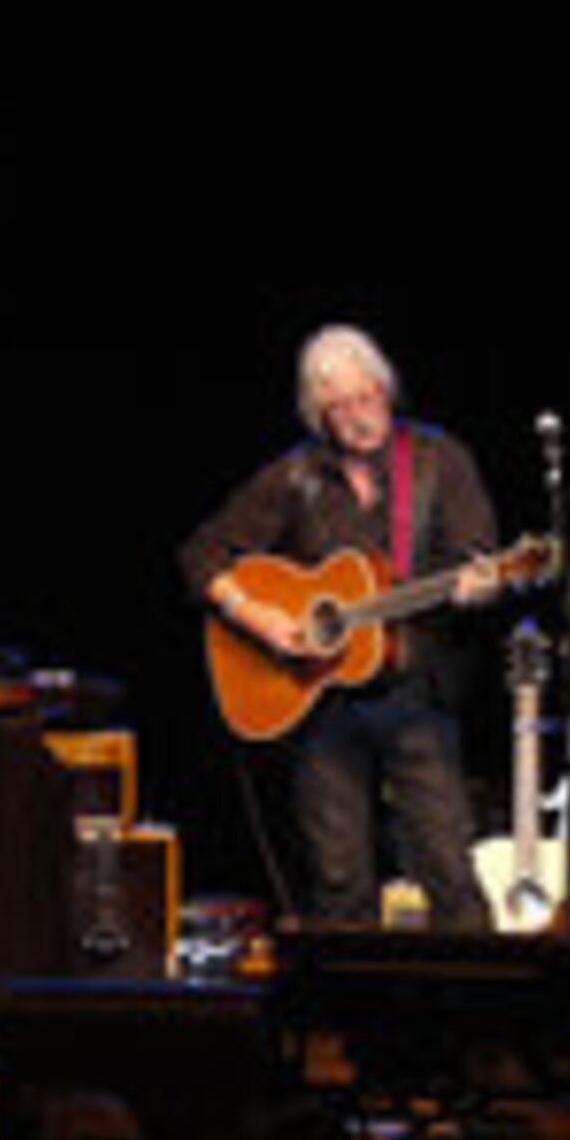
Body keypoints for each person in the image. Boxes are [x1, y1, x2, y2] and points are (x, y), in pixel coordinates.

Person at [178, 323, 508, 930]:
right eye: (341, 407)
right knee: (338, 886)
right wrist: (261, 617)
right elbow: (202, 555)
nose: (360, 416)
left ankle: (478, 1021)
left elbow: (477, 558)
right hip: (323, 705)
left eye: (369, 397)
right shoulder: (295, 477)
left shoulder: (439, 462)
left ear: (387, 390)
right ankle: (345, 1024)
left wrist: (480, 585)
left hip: (415, 691)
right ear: (318, 415)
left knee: (451, 878)